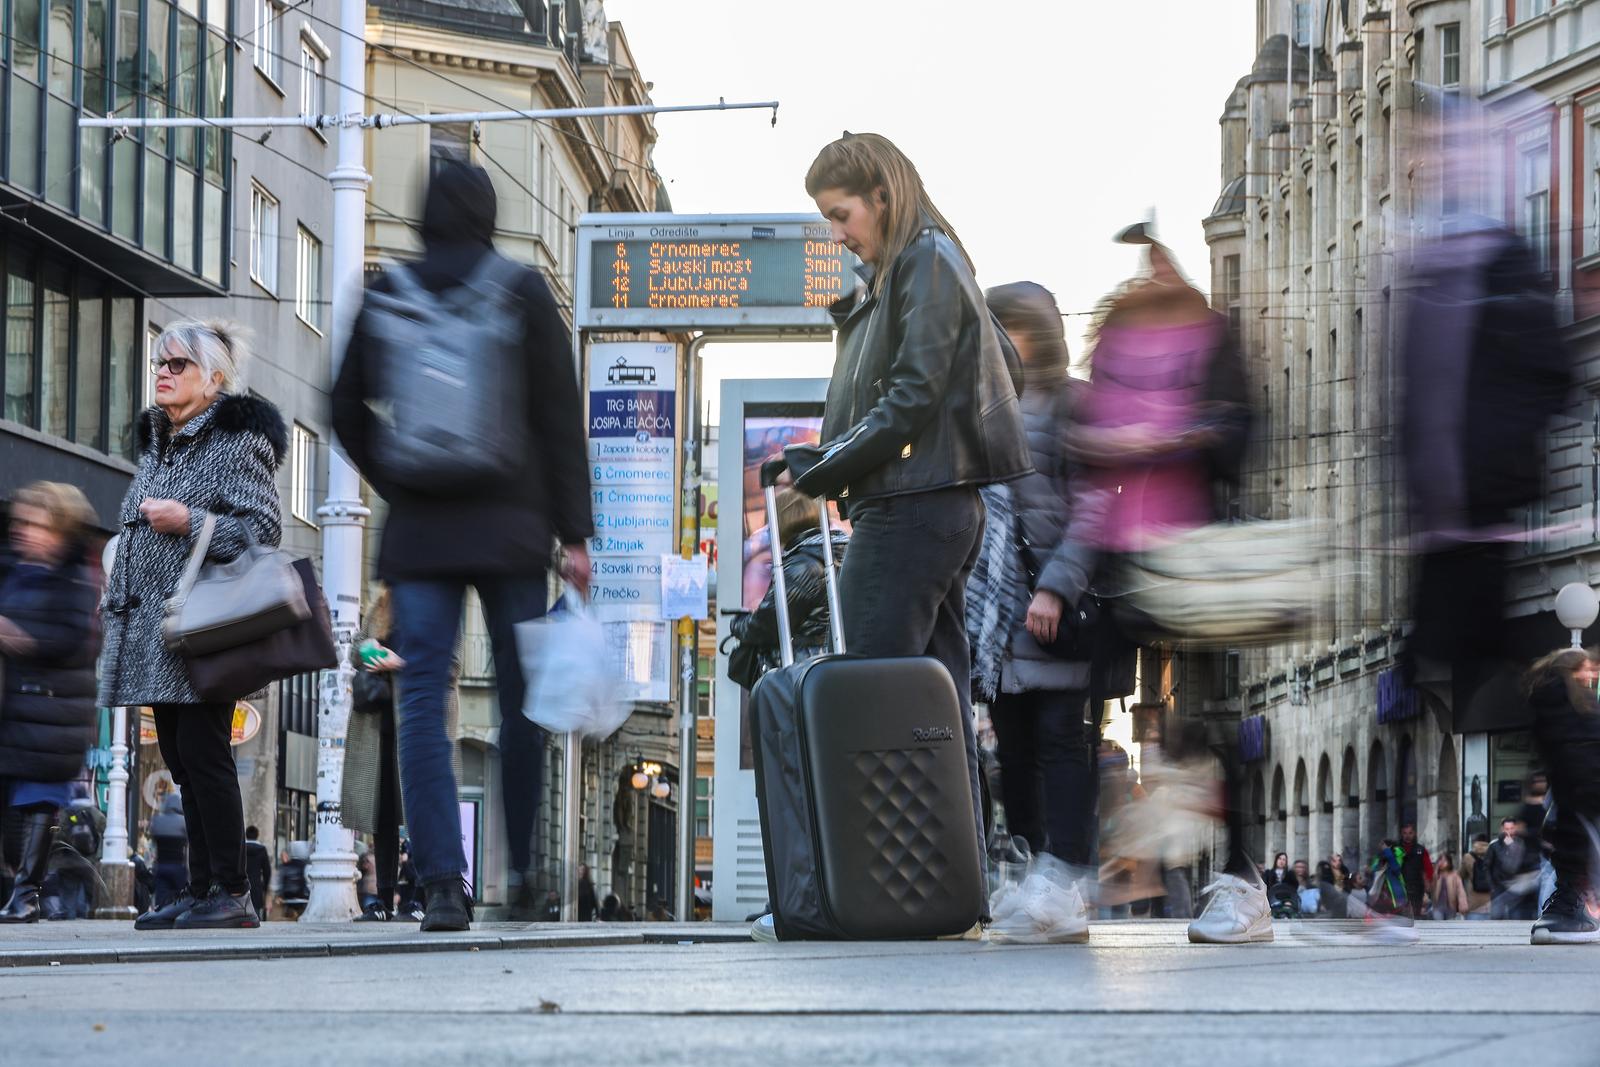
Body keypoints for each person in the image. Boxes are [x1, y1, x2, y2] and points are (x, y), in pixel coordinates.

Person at [332, 161, 593, 934]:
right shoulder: (521, 290)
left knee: (418, 701)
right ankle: (523, 874)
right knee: (521, 701)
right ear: (488, 214)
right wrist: (574, 534)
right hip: (513, 528)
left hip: (420, 534)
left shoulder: (388, 290)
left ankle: (443, 884)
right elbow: (561, 415)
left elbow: (343, 406)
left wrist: (397, 475)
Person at [1060, 228, 1256, 944]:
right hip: (1117, 556)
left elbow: (1238, 434)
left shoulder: (1212, 336)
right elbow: (1080, 438)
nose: (1152, 273)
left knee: (1210, 722)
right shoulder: (1114, 340)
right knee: (1083, 719)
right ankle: (1075, 871)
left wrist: (1175, 436)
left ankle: (1242, 877)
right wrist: (1105, 444)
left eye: (1160, 263)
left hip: (1192, 547)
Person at [100, 320, 282, 932]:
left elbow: (262, 530)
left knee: (206, 754)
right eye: (159, 362)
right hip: (158, 627)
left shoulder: (234, 443)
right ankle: (201, 887)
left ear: (214, 378)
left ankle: (232, 890)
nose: (163, 372)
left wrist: (190, 521)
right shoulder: (161, 443)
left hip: (206, 624)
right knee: (181, 756)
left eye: (178, 364)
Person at [967, 283, 1100, 932]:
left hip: (1054, 613)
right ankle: (1028, 874)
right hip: (997, 621)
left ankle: (1065, 874)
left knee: (1060, 740)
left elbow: (1095, 507)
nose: (998, 341)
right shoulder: (982, 405)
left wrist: (1056, 586)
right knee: (1012, 753)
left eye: (1008, 328)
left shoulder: (1075, 404)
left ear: (1037, 334)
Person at [0, 482, 102, 923]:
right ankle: (18, 888)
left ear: (60, 532)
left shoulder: (76, 579)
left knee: (38, 801)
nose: (24, 531)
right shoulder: (11, 568)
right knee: (12, 817)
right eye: (20, 522)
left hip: (53, 713)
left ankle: (26, 895)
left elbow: (74, 640)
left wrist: (16, 637)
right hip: (13, 710)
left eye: (36, 524)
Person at [727, 486, 849, 685]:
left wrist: (738, 624)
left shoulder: (803, 564)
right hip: (828, 668)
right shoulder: (838, 554)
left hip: (799, 671)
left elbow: (769, 624)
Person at [1524, 648, 1600, 943]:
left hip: (1574, 802)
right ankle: (1566, 914)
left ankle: (1562, 911)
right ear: (1570, 671)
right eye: (1584, 668)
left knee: (1570, 867)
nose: (1591, 673)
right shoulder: (1573, 705)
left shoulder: (1549, 702)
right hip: (1584, 800)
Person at [1487, 817, 1539, 921]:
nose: (1509, 832)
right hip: (1499, 887)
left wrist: (1512, 847)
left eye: (1512, 828)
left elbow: (1522, 864)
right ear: (1502, 829)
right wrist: (1492, 886)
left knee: (1516, 918)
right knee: (1496, 917)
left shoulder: (1522, 844)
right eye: (1507, 829)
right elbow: (1488, 867)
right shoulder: (1494, 845)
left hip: (1516, 888)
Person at [148, 793, 189, 909]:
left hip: (161, 866)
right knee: (181, 899)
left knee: (161, 900)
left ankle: (162, 914)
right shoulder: (183, 822)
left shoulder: (157, 820)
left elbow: (153, 838)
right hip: (178, 866)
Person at [1396, 823, 1435, 920]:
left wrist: (1429, 884)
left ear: (1414, 833)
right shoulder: (1396, 849)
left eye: (1410, 833)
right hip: (1399, 887)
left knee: (1415, 914)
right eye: (1405, 833)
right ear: (1401, 834)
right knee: (1400, 915)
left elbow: (1428, 869)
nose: (1407, 836)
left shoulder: (1421, 850)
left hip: (1417, 888)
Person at [1461, 835, 1494, 920]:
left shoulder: (1468, 857)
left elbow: (1461, 875)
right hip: (1491, 902)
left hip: (1474, 904)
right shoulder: (1494, 854)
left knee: (1472, 928)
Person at [1430, 852, 1468, 921]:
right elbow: (1431, 887)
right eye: (1440, 860)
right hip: (1438, 907)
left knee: (1449, 925)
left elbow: (1460, 890)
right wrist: (1436, 870)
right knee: (1438, 924)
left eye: (1445, 860)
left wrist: (1462, 903)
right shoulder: (1436, 875)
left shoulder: (1454, 875)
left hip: (1451, 907)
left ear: (1449, 862)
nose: (1442, 862)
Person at [244, 826, 272, 921]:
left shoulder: (241, 849)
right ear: (257, 835)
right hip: (256, 886)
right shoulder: (262, 850)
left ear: (246, 835)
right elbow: (267, 871)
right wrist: (265, 887)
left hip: (242, 885)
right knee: (256, 914)